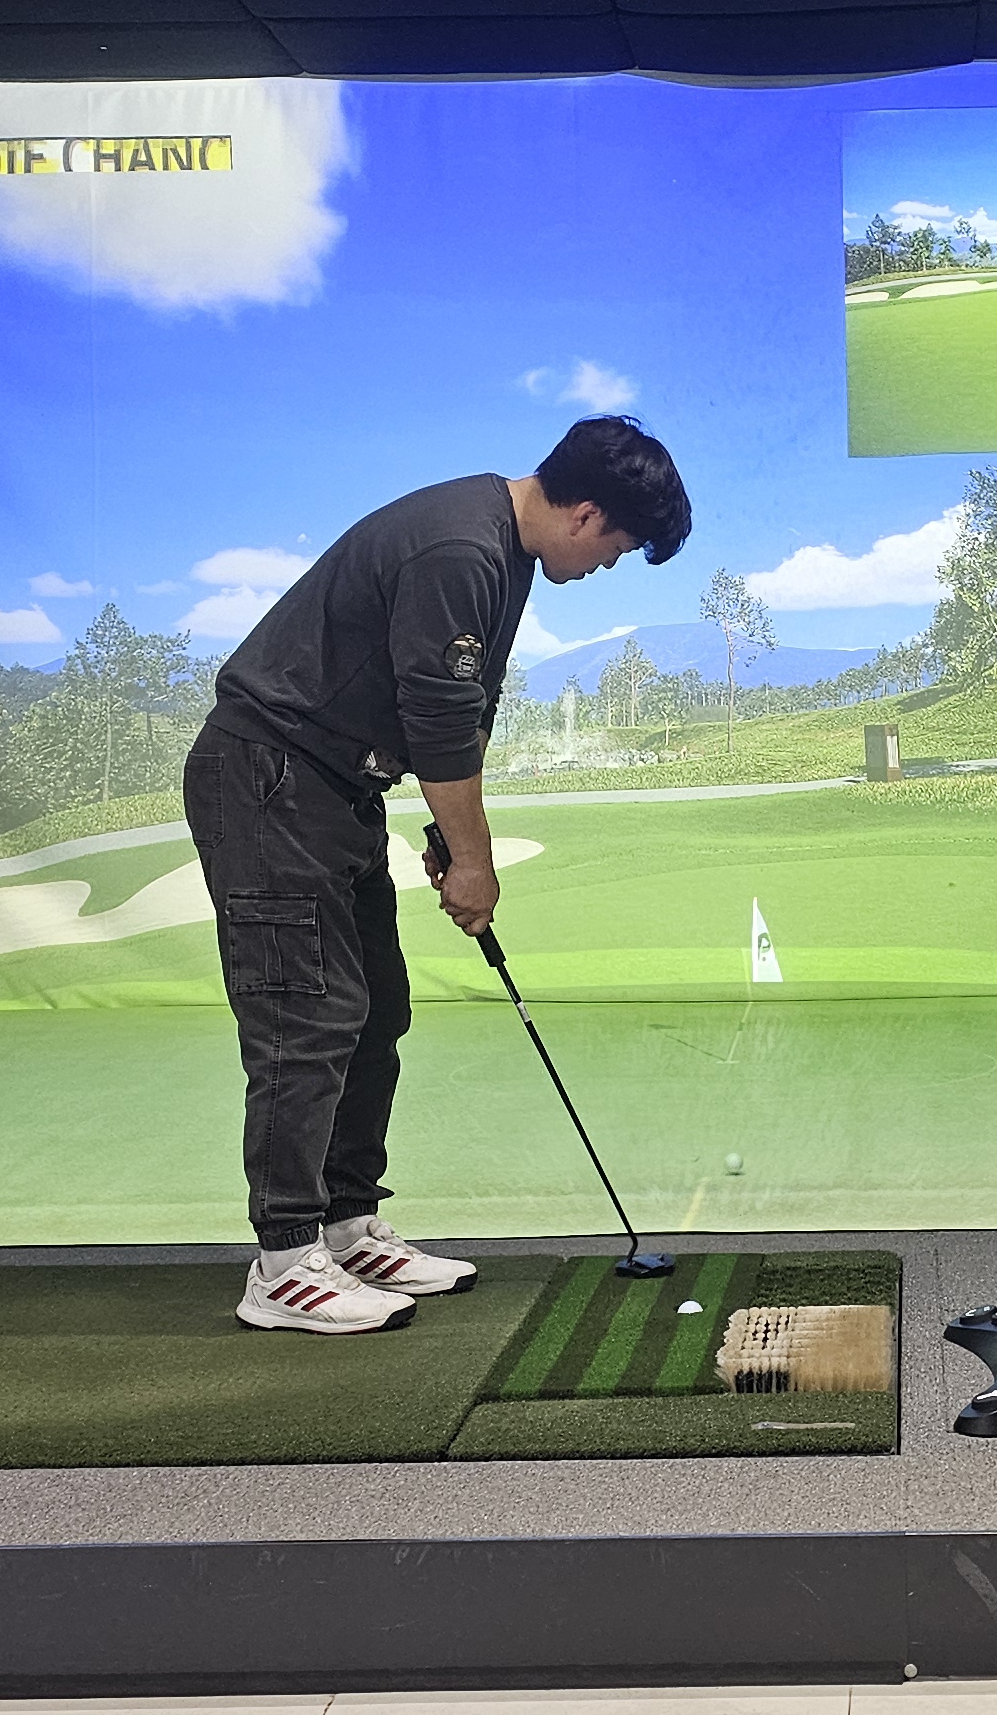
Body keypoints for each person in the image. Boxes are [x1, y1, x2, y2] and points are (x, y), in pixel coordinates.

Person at [181, 416, 692, 1333]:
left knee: (375, 1008)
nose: (607, 565)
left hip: (337, 786)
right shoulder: (462, 546)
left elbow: (455, 710)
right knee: (307, 1016)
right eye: (617, 548)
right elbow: (441, 718)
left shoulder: (506, 552)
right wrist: (476, 863)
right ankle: (285, 1261)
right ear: (585, 514)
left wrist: (450, 839)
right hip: (270, 777)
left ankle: (346, 1227)